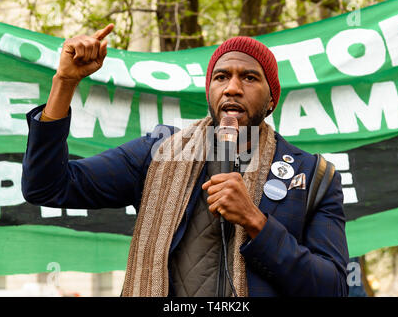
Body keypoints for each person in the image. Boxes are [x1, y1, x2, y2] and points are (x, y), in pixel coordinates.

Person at [21, 23, 350, 297]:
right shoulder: (158, 153)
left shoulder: (313, 176)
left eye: (249, 78)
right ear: (209, 91)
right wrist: (64, 83)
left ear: (271, 99)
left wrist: (256, 222)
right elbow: (48, 186)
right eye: (221, 77)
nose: (232, 88)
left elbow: (333, 287)